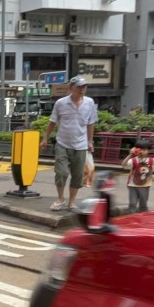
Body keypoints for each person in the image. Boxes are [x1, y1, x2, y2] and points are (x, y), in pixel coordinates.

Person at [41, 75, 98, 212]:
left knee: (78, 176)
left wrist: (90, 141)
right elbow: (52, 122)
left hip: (81, 145)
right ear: (71, 87)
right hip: (62, 143)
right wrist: (45, 139)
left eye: (84, 86)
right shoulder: (61, 103)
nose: (82, 89)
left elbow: (91, 124)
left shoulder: (90, 102)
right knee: (61, 172)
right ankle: (60, 198)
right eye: (79, 87)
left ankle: (72, 202)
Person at [121, 138, 154, 213]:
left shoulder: (152, 160)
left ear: (148, 150)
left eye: (144, 150)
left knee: (143, 204)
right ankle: (131, 218)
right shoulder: (133, 160)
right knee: (132, 203)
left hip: (145, 186)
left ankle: (142, 217)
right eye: (140, 149)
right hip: (133, 186)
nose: (141, 151)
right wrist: (130, 155)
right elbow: (124, 165)